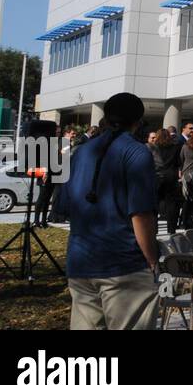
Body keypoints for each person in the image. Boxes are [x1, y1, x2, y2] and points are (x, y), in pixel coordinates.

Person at [59, 92, 158, 330]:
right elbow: (141, 214)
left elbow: (65, 206)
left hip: (81, 262)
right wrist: (153, 260)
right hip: (124, 264)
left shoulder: (81, 151)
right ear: (138, 120)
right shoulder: (137, 152)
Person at [151, 127, 183, 235]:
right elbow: (179, 162)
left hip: (157, 177)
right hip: (171, 176)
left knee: (155, 203)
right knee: (172, 204)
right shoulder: (175, 147)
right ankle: (172, 229)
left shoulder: (154, 148)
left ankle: (154, 228)